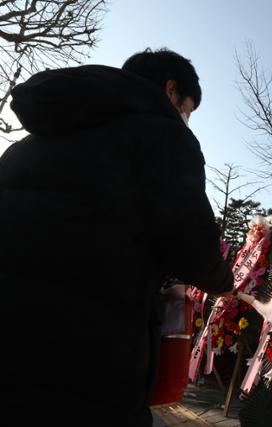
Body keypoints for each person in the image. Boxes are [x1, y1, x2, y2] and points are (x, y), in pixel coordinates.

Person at [0, 48, 233, 426]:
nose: (186, 122)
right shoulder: (164, 138)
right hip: (91, 362)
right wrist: (224, 280)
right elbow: (193, 247)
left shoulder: (28, 144)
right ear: (170, 90)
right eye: (187, 110)